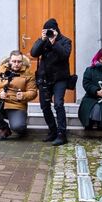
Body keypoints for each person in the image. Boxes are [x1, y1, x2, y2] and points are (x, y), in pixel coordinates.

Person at [30, 18, 73, 146]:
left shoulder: (65, 41)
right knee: (44, 105)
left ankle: (62, 134)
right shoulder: (43, 41)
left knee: (58, 104)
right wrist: (42, 40)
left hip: (60, 78)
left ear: (56, 30)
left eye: (52, 30)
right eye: (47, 31)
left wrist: (54, 42)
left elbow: (65, 55)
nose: (50, 33)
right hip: (45, 78)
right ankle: (53, 131)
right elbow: (33, 53)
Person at [0, 50, 38, 140]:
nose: (16, 64)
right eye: (14, 61)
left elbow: (33, 92)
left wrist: (24, 95)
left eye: (19, 61)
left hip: (17, 105)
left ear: (22, 62)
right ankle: (5, 128)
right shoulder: (1, 69)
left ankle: (20, 124)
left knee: (18, 127)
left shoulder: (28, 73)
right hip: (1, 102)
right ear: (10, 61)